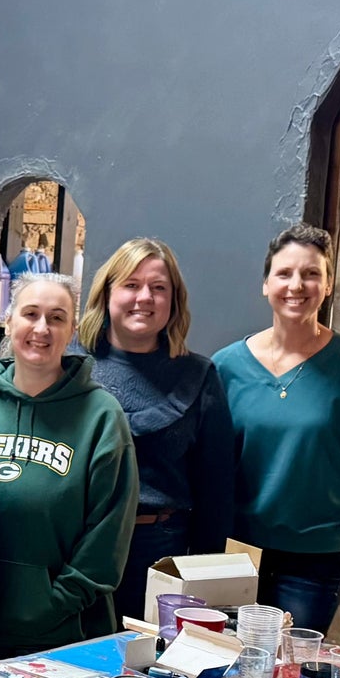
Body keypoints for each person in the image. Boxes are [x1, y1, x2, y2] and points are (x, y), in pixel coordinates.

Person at [213, 224, 340, 632]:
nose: (296, 285)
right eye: (284, 274)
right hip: (235, 552)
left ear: (328, 284)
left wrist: (334, 509)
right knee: (225, 669)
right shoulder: (226, 366)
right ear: (266, 284)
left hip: (314, 561)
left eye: (311, 274)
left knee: (289, 676)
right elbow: (210, 459)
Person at [0, 274, 139, 661]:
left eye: (57, 318)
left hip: (65, 633)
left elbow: (108, 532)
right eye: (30, 314)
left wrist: (51, 605)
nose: (41, 328)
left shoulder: (102, 416)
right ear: (9, 321)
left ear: (72, 331)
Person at [78, 238, 235, 621]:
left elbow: (216, 488)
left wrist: (202, 576)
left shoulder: (199, 375)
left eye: (158, 287)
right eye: (131, 284)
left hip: (161, 552)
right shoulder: (69, 367)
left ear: (173, 301)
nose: (144, 297)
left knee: (148, 672)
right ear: (108, 293)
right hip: (77, 548)